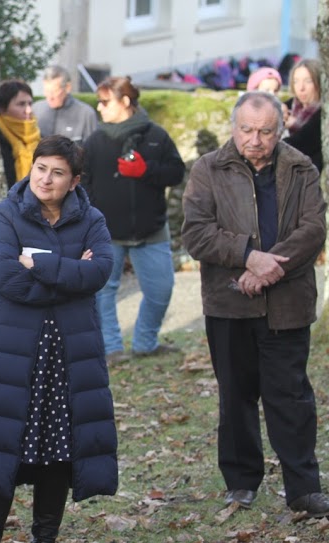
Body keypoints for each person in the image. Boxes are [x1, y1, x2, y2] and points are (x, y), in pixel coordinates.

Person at [0, 136, 118, 543]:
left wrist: (42, 265)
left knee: (59, 455)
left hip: (69, 355)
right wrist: (70, 272)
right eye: (40, 168)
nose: (45, 178)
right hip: (12, 352)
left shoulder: (92, 219)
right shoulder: (8, 213)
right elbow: (7, 278)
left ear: (75, 181)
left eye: (57, 172)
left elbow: (100, 271)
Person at [182, 91, 329, 517]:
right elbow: (196, 233)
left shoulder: (301, 167)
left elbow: (312, 229)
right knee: (236, 395)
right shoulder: (209, 169)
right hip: (229, 303)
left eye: (265, 131)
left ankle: (303, 488)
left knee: (291, 397)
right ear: (233, 127)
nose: (255, 139)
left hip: (287, 304)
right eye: (247, 129)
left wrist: (268, 268)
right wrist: (247, 255)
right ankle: (241, 482)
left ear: (280, 129)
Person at [83, 76, 185, 361]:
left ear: (125, 102)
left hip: (150, 229)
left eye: (105, 101)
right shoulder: (95, 141)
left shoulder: (156, 136)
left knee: (160, 289)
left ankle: (145, 343)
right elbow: (83, 184)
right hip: (106, 233)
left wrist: (146, 170)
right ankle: (111, 348)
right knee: (103, 292)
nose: (99, 108)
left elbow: (176, 172)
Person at [32, 65, 98, 143]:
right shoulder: (35, 110)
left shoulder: (86, 114)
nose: (50, 97)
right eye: (46, 91)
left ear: (68, 87)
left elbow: (92, 149)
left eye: (54, 91)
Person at [0, 79, 41, 186]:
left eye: (30, 104)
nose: (28, 110)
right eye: (21, 104)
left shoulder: (41, 139)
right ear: (3, 109)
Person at [283, 59, 323, 173]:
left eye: (308, 81)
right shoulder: (289, 106)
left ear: (319, 82)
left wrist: (295, 124)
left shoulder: (323, 113)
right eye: (296, 81)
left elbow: (300, 142)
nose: (301, 88)